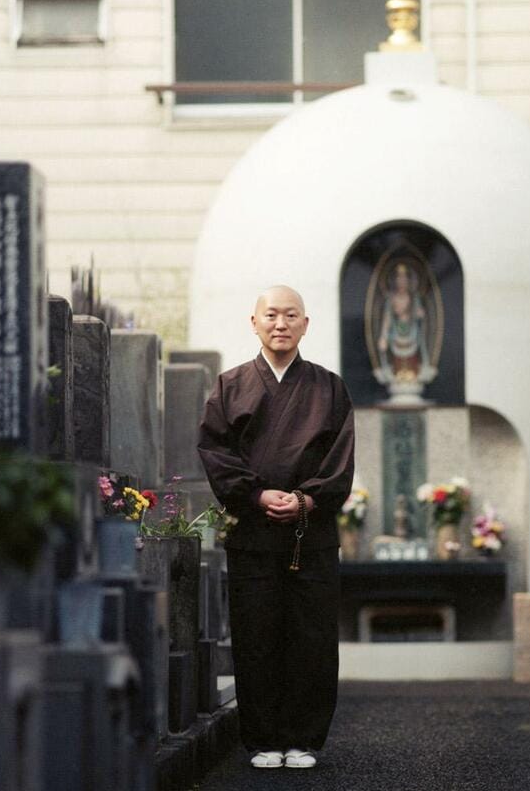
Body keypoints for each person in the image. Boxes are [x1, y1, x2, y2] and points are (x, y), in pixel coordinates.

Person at [197, 285, 355, 770]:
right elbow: (216, 452)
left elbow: (340, 459)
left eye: (291, 316)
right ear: (254, 322)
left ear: (306, 324)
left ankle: (304, 739)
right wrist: (257, 493)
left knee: (310, 636)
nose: (281, 324)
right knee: (257, 634)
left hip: (311, 532)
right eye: (272, 315)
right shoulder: (229, 386)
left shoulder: (330, 388)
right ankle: (263, 738)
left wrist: (308, 498)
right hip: (255, 531)